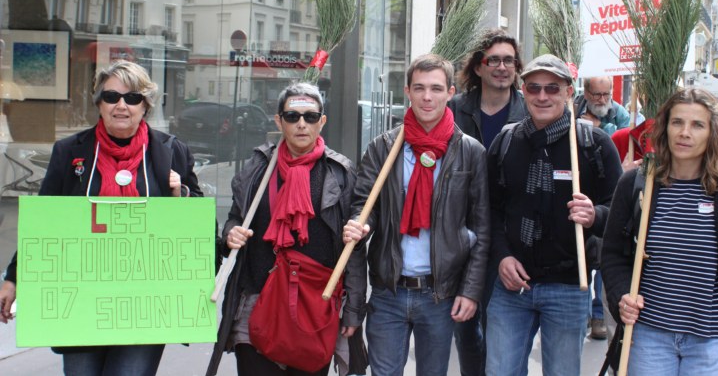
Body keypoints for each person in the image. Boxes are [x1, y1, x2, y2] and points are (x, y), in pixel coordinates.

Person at [0, 60, 202, 376]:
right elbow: (46, 222)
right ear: (99, 103)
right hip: (82, 296)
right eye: (111, 97)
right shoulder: (70, 151)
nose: (121, 105)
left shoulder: (171, 151)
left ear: (146, 104)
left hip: (145, 299)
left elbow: (198, 229)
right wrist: (14, 277)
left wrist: (183, 194)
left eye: (132, 98)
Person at [343, 54, 490, 376]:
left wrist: (470, 290)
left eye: (436, 89)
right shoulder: (383, 148)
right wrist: (361, 225)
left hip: (440, 294)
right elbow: (364, 205)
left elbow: (481, 229)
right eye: (419, 88)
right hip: (387, 291)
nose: (427, 97)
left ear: (451, 93)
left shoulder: (470, 152)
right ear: (407, 91)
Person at [603, 88, 718, 376]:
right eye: (677, 122)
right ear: (665, 128)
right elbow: (613, 255)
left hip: (711, 340)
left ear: (712, 133)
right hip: (648, 335)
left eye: (697, 125)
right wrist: (621, 296)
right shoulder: (637, 185)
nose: (685, 133)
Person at [206, 82, 364, 376]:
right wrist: (231, 233)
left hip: (315, 306)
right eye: (292, 117)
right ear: (279, 121)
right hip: (257, 300)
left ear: (322, 121)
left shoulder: (341, 174)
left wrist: (353, 309)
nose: (301, 124)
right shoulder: (257, 168)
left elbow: (353, 248)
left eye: (310, 117)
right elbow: (235, 218)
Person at [484, 54, 623, 376]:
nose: (542, 96)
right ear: (523, 91)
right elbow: (489, 209)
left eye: (551, 88)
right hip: (510, 286)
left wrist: (595, 215)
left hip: (568, 285)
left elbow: (618, 208)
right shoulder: (506, 141)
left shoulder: (594, 144)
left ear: (568, 92)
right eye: (534, 88)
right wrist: (502, 256)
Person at [448, 28, 526, 376]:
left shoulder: (529, 109)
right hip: (461, 231)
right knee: (466, 326)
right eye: (492, 59)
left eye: (508, 60)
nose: (501, 67)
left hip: (509, 233)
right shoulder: (455, 109)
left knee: (503, 331)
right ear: (478, 67)